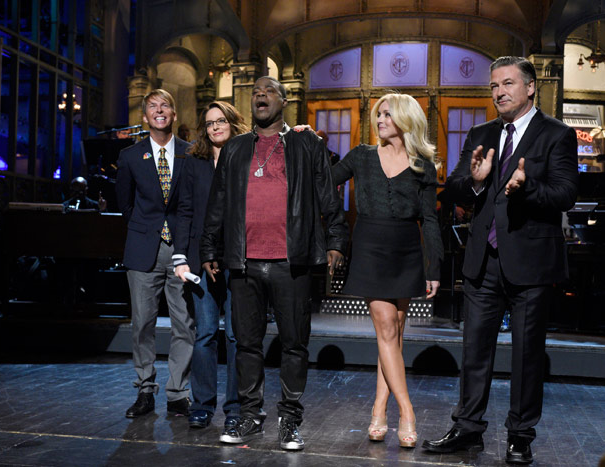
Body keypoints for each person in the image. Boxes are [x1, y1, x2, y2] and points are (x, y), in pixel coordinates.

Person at [422, 57, 578, 465]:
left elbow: (565, 194)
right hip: (483, 261)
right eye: (494, 85)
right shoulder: (481, 133)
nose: (499, 92)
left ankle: (520, 436)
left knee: (527, 355)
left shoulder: (557, 134)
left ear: (530, 88)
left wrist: (527, 188)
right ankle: (468, 429)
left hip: (531, 262)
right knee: (475, 351)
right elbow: (452, 189)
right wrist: (474, 180)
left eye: (508, 84)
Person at [200, 76, 348, 451]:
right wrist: (209, 249)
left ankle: (290, 419)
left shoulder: (306, 143)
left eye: (269, 91)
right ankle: (250, 415)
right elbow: (217, 203)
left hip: (291, 259)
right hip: (244, 261)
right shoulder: (235, 149)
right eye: (256, 92)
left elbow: (327, 196)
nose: (261, 95)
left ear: (284, 101)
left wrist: (336, 240)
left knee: (295, 344)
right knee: (246, 343)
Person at [332, 93, 442, 449]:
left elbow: (430, 219)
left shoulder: (424, 164)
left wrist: (434, 265)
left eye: (386, 115)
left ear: (405, 120)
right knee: (384, 326)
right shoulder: (361, 157)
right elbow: (325, 179)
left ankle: (379, 407)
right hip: (370, 245)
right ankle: (407, 411)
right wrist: (304, 141)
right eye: (378, 115)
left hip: (406, 248)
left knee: (392, 335)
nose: (379, 120)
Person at [115, 89, 195, 419]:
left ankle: (178, 394)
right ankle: (145, 391)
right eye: (152, 107)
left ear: (174, 114)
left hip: (181, 253)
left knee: (184, 325)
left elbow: (193, 203)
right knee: (142, 325)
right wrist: (147, 229)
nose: (159, 111)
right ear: (145, 118)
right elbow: (125, 204)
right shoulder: (130, 156)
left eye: (165, 106)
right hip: (143, 249)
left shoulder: (192, 154)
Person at [173, 101, 248, 433]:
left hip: (238, 258)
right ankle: (202, 404)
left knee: (234, 335)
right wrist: (181, 256)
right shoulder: (194, 163)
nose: (215, 127)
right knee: (204, 334)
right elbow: (184, 211)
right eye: (209, 123)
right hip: (200, 260)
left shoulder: (246, 157)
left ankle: (234, 406)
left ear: (232, 123)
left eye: (221, 121)